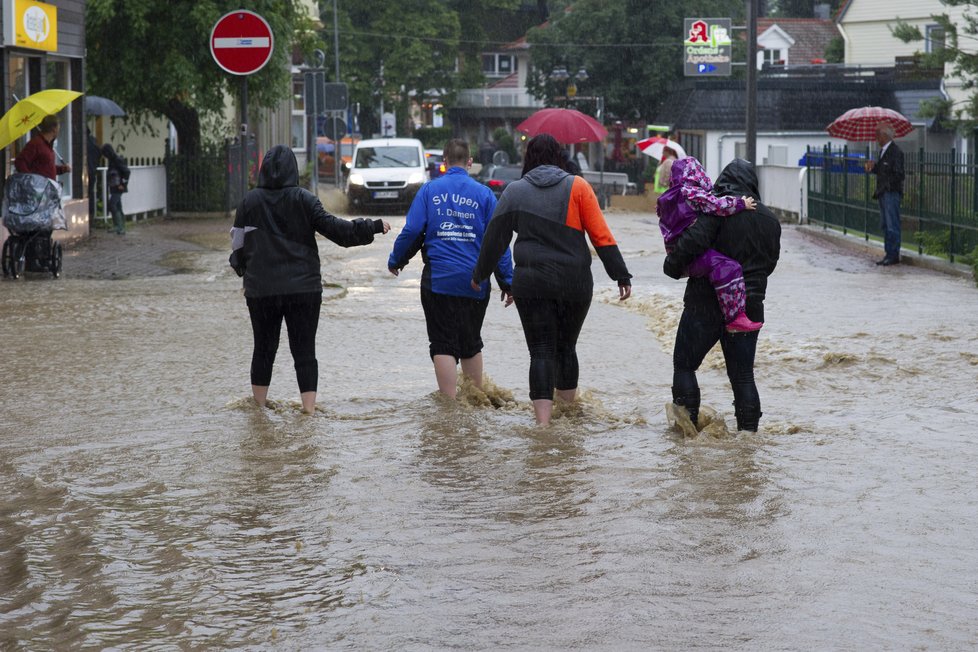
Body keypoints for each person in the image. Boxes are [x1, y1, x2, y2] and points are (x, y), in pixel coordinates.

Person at [471, 133, 632, 426]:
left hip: (531, 283)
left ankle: (543, 425)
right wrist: (620, 274)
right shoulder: (578, 187)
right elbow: (601, 235)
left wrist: (480, 274)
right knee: (566, 348)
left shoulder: (514, 191)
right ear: (559, 156)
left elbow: (494, 239)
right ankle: (567, 416)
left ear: (528, 158)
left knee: (541, 351)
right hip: (574, 283)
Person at [230, 145, 391, 414]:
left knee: (263, 349)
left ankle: (258, 410)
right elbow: (338, 231)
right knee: (304, 352)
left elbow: (237, 244)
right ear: (293, 170)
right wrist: (370, 226)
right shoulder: (305, 200)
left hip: (261, 290)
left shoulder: (249, 202)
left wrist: (243, 269)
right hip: (303, 289)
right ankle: (309, 411)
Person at [387, 138, 514, 398]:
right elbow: (498, 241)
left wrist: (397, 260)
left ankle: (449, 406)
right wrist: (507, 281)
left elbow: (413, 231)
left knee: (442, 343)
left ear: (444, 162)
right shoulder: (485, 195)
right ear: (469, 162)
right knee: (470, 343)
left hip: (438, 282)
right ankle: (475, 400)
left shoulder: (429, 191)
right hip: (475, 283)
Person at [663, 158, 781, 433]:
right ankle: (748, 439)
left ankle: (685, 433)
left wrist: (671, 267)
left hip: (706, 302)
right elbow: (770, 265)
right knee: (742, 376)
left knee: (684, 365)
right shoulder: (771, 221)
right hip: (749, 306)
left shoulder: (717, 210)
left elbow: (693, 242)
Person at [656, 156, 762, 333]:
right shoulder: (690, 193)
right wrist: (741, 203)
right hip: (694, 258)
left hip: (678, 256)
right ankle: (735, 317)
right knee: (730, 267)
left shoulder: (667, 199)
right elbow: (716, 205)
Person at [864, 123, 904, 266]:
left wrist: (887, 184)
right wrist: (874, 167)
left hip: (891, 193)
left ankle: (893, 254)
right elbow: (883, 170)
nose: (876, 138)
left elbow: (899, 174)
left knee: (892, 224)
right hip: (882, 192)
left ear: (884, 136)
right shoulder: (882, 152)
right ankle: (888, 252)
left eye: (877, 135)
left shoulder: (896, 152)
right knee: (885, 224)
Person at [15, 114, 70, 180]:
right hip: (38, 188)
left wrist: (62, 169)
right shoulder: (35, 144)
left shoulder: (48, 146)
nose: (58, 131)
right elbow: (19, 162)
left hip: (47, 188)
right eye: (58, 128)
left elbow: (46, 168)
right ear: (54, 129)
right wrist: (30, 180)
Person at [101, 144, 130, 235]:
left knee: (112, 204)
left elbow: (127, 172)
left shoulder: (117, 160)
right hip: (114, 186)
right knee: (117, 206)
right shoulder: (113, 160)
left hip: (118, 186)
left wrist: (123, 184)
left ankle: (120, 226)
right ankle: (119, 226)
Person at [87, 129, 101, 220]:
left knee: (88, 193)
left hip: (87, 171)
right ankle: (91, 215)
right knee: (90, 193)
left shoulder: (85, 143)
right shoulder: (93, 142)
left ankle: (89, 215)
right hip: (92, 171)